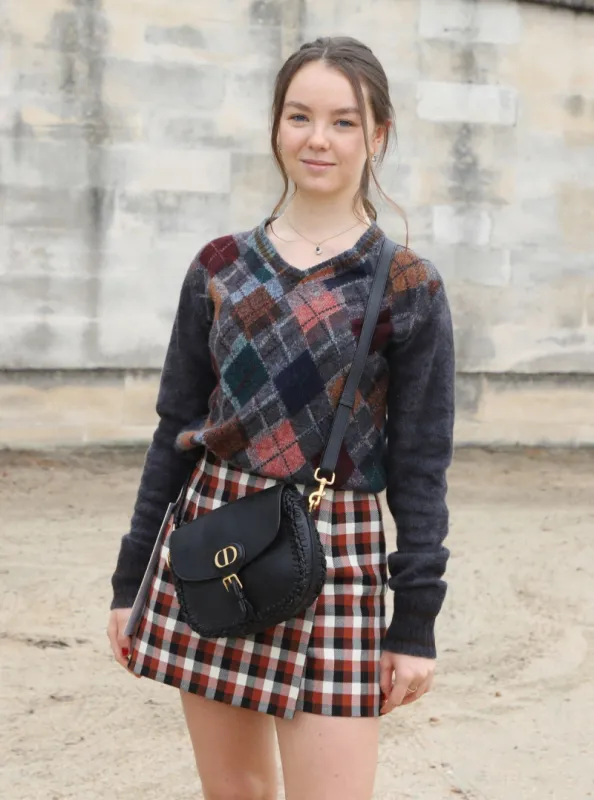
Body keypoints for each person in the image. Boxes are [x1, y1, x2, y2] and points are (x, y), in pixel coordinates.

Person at [107, 35, 455, 800]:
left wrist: (415, 622)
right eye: (300, 116)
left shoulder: (406, 285)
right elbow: (175, 430)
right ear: (275, 127)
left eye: (343, 121)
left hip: (339, 554)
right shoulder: (219, 265)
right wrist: (130, 581)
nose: (318, 139)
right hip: (212, 544)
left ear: (378, 136)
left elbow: (421, 463)